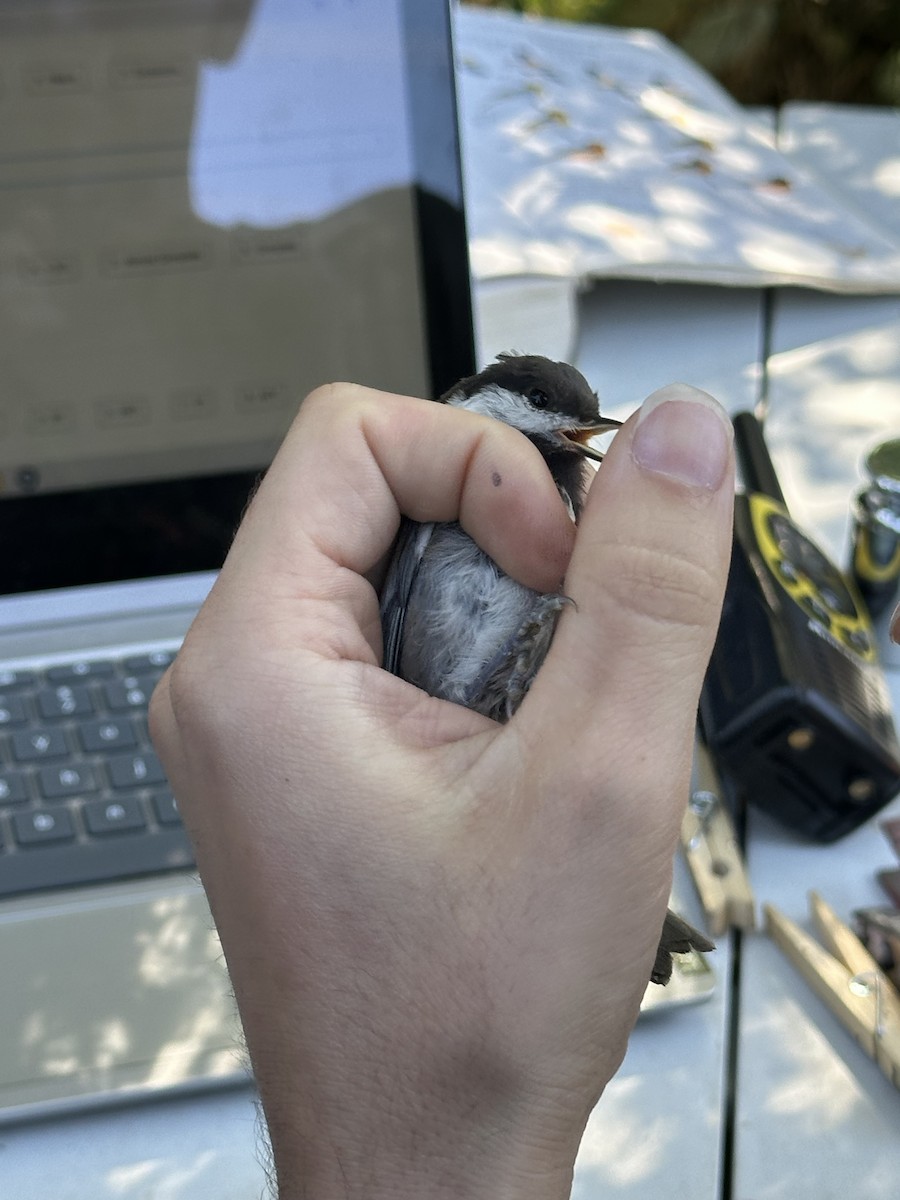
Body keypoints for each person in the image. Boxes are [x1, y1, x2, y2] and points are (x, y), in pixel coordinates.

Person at [149, 378, 738, 1199]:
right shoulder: (435, 518)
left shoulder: (519, 499)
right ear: (492, 410)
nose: (576, 439)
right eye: (547, 413)